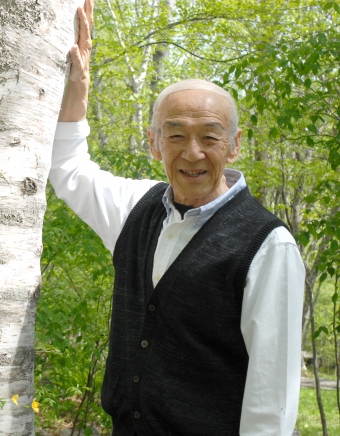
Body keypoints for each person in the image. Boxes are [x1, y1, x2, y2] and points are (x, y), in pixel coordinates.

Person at [50, 1, 305, 435]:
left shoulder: (267, 245)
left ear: (235, 144)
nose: (193, 153)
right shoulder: (137, 208)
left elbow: (272, 400)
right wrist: (78, 87)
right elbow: (68, 169)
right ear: (154, 143)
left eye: (210, 136)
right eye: (176, 135)